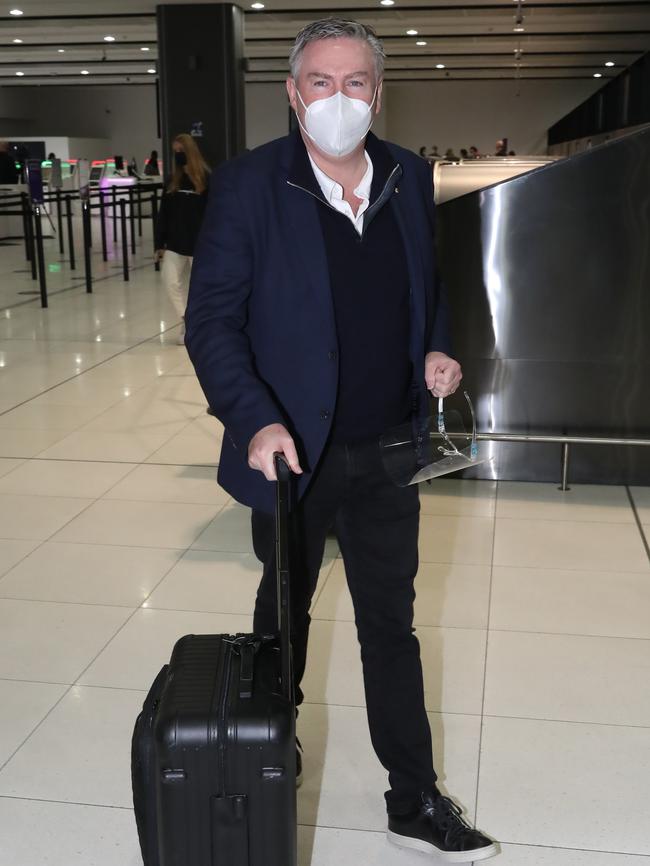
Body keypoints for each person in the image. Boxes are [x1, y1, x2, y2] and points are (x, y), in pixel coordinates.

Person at [185, 17, 497, 863]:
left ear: (378, 93)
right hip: (291, 457)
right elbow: (211, 322)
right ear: (292, 93)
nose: (337, 98)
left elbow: (424, 290)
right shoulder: (251, 187)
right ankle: (261, 768)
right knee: (281, 624)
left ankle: (414, 797)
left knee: (390, 628)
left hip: (390, 448)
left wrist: (435, 347)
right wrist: (254, 419)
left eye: (355, 82)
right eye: (319, 82)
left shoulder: (405, 173)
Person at [154, 134, 210, 344]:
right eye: (175, 152)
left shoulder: (205, 179)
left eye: (181, 152)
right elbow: (164, 213)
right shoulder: (172, 181)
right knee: (170, 281)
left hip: (199, 243)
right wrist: (159, 243)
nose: (178, 156)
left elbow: (214, 213)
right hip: (175, 242)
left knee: (200, 286)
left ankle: (198, 323)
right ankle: (186, 318)